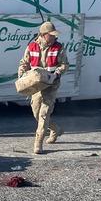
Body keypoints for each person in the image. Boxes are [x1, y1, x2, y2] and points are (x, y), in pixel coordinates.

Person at [18, 21, 69, 154]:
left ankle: (38, 143)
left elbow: (64, 65)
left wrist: (57, 73)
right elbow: (24, 63)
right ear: (43, 34)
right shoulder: (31, 46)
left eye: (54, 35)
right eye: (51, 35)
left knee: (44, 113)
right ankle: (56, 129)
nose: (53, 37)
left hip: (51, 84)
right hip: (35, 85)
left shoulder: (59, 48)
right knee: (36, 113)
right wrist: (22, 75)